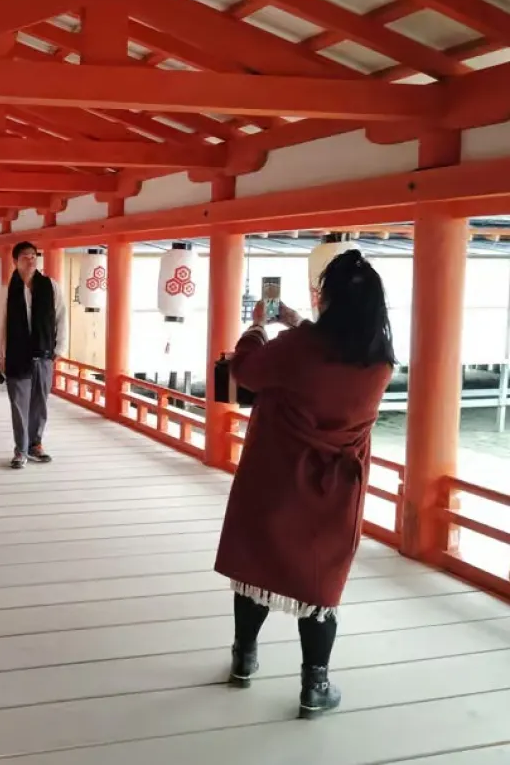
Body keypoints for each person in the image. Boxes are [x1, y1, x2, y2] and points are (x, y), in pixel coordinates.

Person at [215, 249, 395, 719]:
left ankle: (244, 659)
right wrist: (297, 322)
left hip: (276, 475)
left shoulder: (299, 349)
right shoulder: (379, 364)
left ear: (328, 299)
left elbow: (246, 370)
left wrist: (258, 326)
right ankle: (315, 684)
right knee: (320, 584)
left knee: (255, 567)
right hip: (335, 490)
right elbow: (326, 359)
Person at [0, 241, 68, 469]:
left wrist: (59, 348)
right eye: (25, 256)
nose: (31, 259)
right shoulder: (7, 290)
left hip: (43, 354)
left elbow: (61, 318)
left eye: (34, 255)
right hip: (16, 355)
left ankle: (36, 444)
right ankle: (20, 449)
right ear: (15, 261)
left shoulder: (51, 286)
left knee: (40, 402)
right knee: (19, 404)